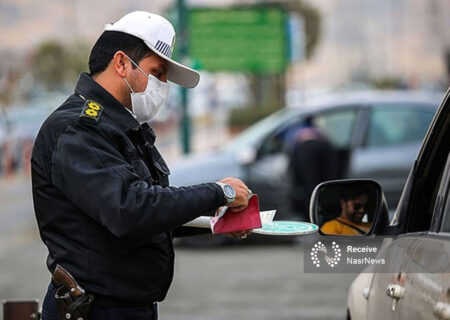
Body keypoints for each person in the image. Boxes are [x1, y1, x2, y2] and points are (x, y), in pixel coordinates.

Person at [31, 11, 251, 320]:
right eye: (157, 73)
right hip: (95, 309)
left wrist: (213, 221)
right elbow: (130, 210)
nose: (162, 85)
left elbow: (147, 214)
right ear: (121, 63)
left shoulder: (122, 128)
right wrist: (220, 191)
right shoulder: (80, 129)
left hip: (127, 307)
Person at [288, 117, 338, 220]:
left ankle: (311, 216)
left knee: (309, 187)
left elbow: (294, 173)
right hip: (325, 186)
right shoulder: (323, 135)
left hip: (307, 160)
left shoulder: (296, 134)